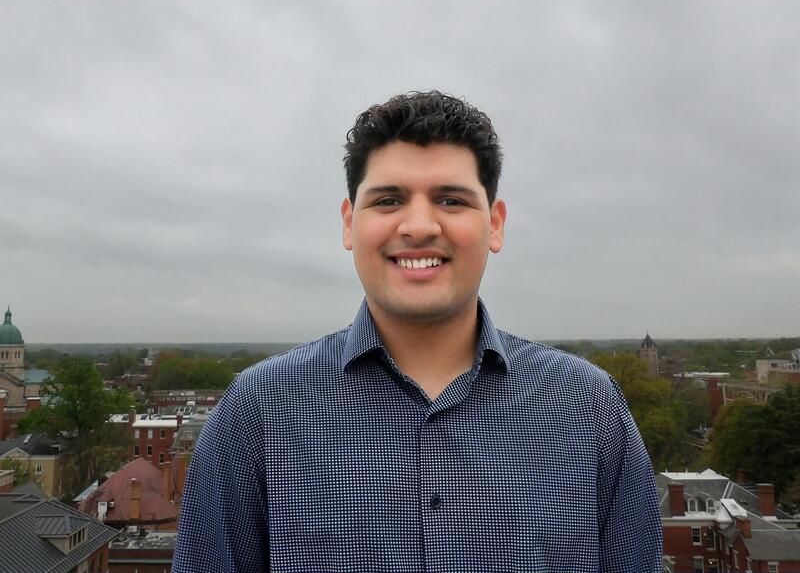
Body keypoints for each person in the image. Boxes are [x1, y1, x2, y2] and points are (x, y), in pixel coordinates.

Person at [173, 91, 662, 572]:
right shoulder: (256, 414)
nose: (420, 226)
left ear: (495, 224)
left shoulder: (589, 410)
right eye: (388, 200)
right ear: (349, 224)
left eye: (451, 200)